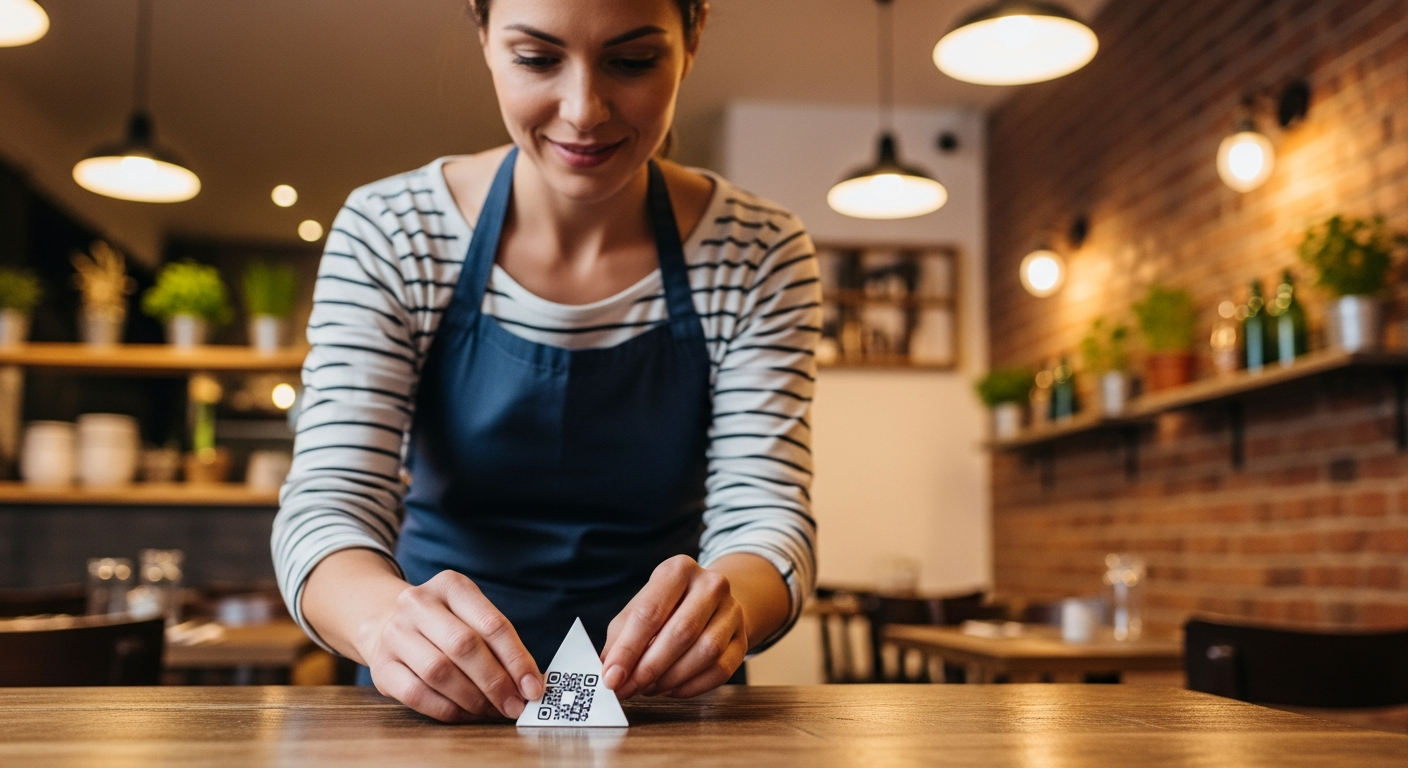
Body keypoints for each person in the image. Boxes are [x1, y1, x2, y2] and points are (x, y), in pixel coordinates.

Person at [272, 0, 818, 723]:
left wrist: (730, 610)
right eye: (537, 58)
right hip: (431, 708)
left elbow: (766, 517)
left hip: (666, 715)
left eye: (631, 61)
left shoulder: (760, 252)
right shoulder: (392, 232)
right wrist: (383, 624)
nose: (583, 110)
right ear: (483, 36)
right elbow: (329, 504)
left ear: (692, 36)